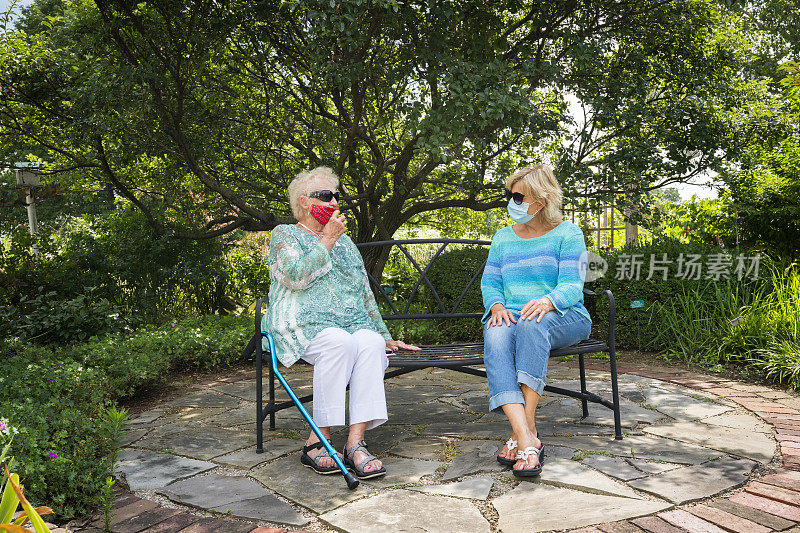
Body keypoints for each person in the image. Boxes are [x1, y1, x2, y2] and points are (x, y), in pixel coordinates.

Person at [263, 166, 419, 479]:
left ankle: (355, 443)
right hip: (300, 325)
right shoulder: (285, 235)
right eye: (326, 195)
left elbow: (363, 293)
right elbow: (294, 277)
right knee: (339, 342)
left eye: (336, 195)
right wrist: (327, 240)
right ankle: (317, 442)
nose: (335, 201)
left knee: (370, 343)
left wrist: (383, 334)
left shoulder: (346, 244)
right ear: (305, 203)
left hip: (347, 325)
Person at [481, 164, 591, 477]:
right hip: (514, 315)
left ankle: (523, 432)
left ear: (540, 202)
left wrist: (547, 300)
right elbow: (490, 282)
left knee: (532, 322)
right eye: (510, 195)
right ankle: (528, 437)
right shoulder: (503, 238)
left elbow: (572, 284)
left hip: (564, 314)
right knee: (495, 330)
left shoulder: (568, 234)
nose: (510, 202)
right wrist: (497, 305)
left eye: (518, 197)